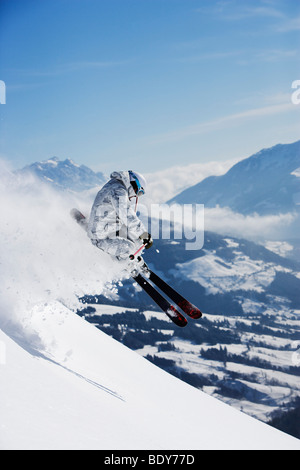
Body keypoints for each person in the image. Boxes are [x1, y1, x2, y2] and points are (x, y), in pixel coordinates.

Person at [87, 170, 153, 273]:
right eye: (138, 192)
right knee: (129, 248)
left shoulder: (116, 186)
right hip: (100, 237)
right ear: (133, 183)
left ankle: (134, 260)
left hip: (108, 228)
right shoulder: (118, 190)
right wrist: (143, 234)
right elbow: (126, 215)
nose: (136, 196)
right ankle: (126, 265)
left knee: (136, 241)